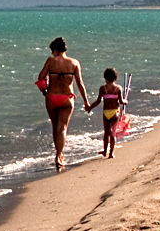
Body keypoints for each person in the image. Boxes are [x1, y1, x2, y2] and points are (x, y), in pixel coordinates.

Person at [36, 37, 88, 170]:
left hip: (52, 97)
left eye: (52, 51)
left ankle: (59, 154)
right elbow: (80, 83)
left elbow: (41, 77)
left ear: (56, 50)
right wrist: (86, 101)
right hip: (67, 98)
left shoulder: (50, 61)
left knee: (55, 127)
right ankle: (59, 155)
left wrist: (44, 90)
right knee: (62, 128)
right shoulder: (75, 63)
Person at [86, 68, 126, 159]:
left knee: (106, 133)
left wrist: (90, 107)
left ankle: (105, 151)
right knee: (113, 133)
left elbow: (98, 101)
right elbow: (121, 101)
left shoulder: (102, 88)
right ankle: (111, 153)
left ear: (105, 78)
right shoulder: (118, 88)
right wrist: (125, 101)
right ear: (115, 78)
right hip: (115, 112)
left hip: (106, 113)